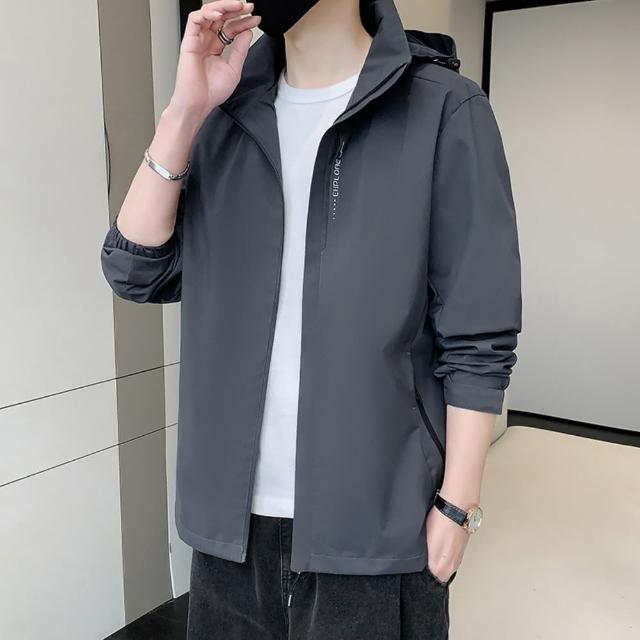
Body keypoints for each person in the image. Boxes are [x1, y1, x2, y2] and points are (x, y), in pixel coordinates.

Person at [100, 0, 523, 638]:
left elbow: (477, 331)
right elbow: (135, 270)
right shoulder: (225, 114)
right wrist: (185, 110)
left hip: (375, 526)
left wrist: (458, 503)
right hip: (230, 533)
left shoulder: (443, 107)